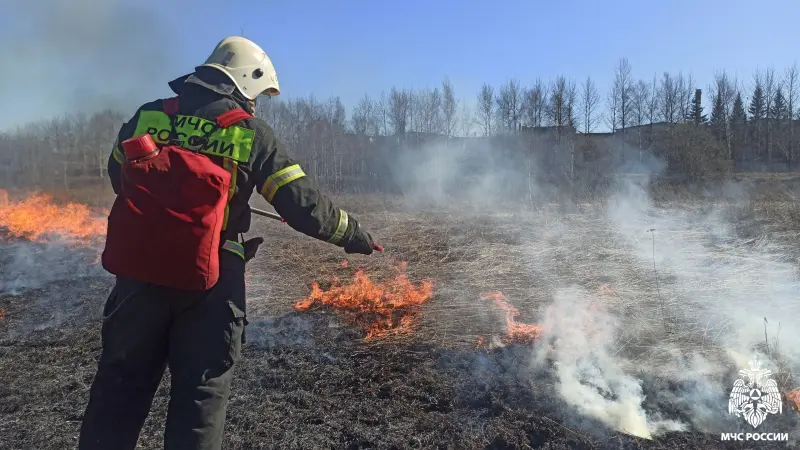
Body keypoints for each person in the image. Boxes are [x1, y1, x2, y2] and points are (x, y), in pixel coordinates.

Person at [78, 36, 380, 450]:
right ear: (246, 80)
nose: (256, 104)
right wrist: (352, 234)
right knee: (200, 399)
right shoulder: (249, 132)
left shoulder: (147, 117)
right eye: (258, 94)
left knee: (117, 392)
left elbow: (120, 177)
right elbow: (301, 206)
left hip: (138, 280)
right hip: (212, 284)